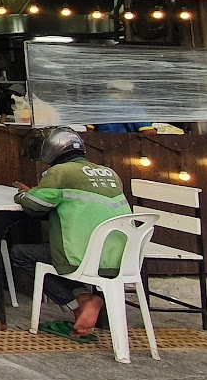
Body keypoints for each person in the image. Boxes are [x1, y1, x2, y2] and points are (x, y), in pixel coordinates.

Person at [11, 126, 132, 339]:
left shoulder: (60, 172)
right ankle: (85, 300)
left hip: (82, 258)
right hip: (119, 259)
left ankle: (80, 301)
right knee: (51, 253)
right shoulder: (110, 173)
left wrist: (22, 195)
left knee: (20, 253)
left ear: (51, 152)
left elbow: (34, 205)